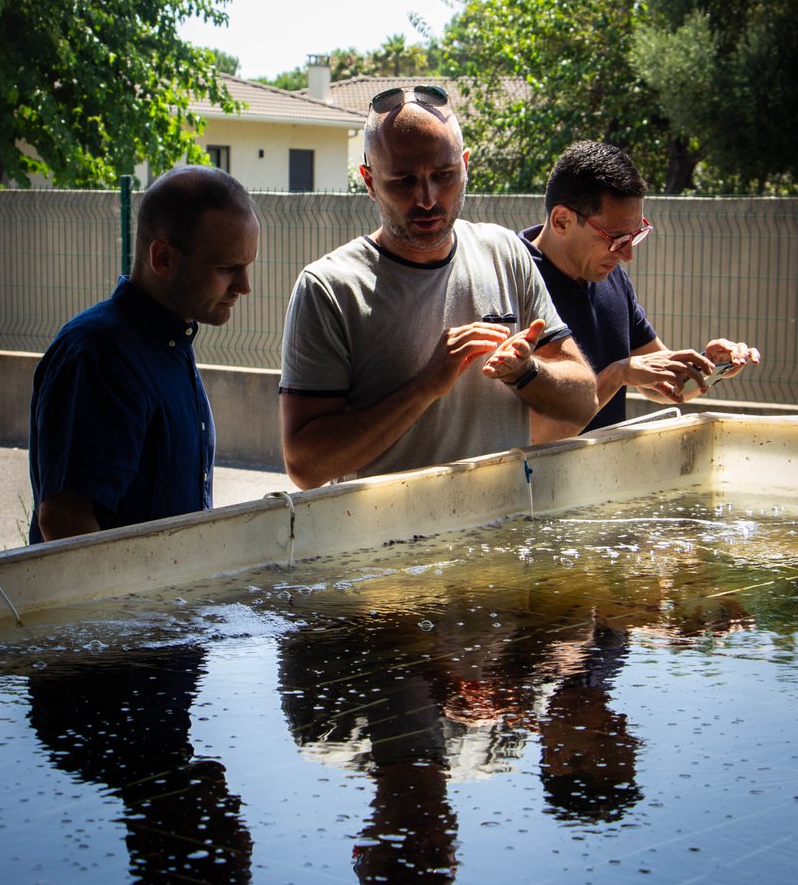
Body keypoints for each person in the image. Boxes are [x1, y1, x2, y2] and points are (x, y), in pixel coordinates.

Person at [279, 85, 597, 489]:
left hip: (503, 539)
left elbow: (583, 401)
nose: (427, 199)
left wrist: (526, 372)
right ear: (369, 181)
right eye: (402, 181)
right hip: (388, 548)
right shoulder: (329, 288)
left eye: (443, 176)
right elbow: (305, 467)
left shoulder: (506, 254)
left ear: (465, 166)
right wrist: (425, 387)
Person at [29, 165, 260, 542]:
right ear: (163, 259)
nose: (244, 286)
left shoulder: (168, 343)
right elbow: (65, 521)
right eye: (226, 268)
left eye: (246, 266)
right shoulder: (98, 357)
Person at [518, 140, 760, 441]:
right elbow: (532, 435)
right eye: (617, 239)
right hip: (535, 484)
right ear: (562, 221)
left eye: (636, 235)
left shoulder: (611, 277)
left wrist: (707, 365)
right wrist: (618, 374)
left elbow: (659, 383)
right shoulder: (512, 282)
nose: (628, 256)